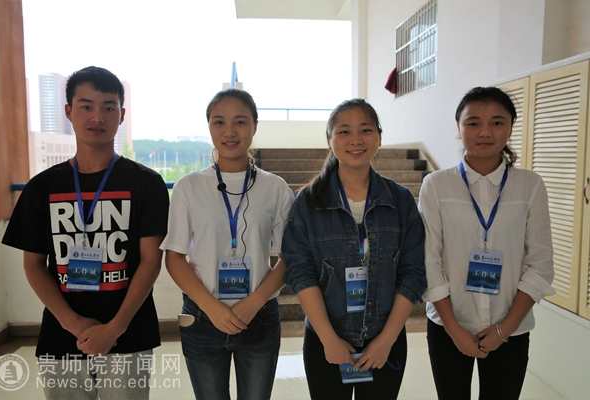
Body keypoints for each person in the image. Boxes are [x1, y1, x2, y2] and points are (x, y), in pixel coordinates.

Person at [2, 66, 169, 399]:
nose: (98, 117)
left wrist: (115, 328)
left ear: (121, 115)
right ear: (68, 112)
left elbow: (151, 261)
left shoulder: (146, 183)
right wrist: (74, 324)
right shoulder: (43, 187)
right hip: (62, 334)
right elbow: (33, 265)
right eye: (87, 106)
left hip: (128, 334)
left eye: (108, 107)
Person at [282, 98, 426, 400]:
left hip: (385, 341)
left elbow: (413, 273)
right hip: (326, 341)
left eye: (366, 130)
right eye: (344, 131)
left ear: (379, 137)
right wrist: (328, 339)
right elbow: (300, 272)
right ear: (329, 139)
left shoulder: (400, 200)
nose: (356, 140)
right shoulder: (307, 202)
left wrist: (386, 340)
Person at [418, 86, 555, 400]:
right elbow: (428, 262)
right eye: (473, 123)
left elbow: (541, 265)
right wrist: (454, 330)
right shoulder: (436, 185)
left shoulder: (530, 185)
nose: (485, 132)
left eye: (497, 122)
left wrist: (504, 329)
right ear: (459, 128)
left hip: (511, 328)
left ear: (510, 126)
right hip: (448, 326)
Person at [160, 88, 294, 400]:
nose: (229, 131)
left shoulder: (275, 188)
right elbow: (174, 257)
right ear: (209, 126)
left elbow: (287, 258)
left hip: (259, 317)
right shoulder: (188, 186)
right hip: (202, 318)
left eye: (240, 122)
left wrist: (253, 303)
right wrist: (212, 308)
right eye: (219, 122)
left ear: (255, 126)